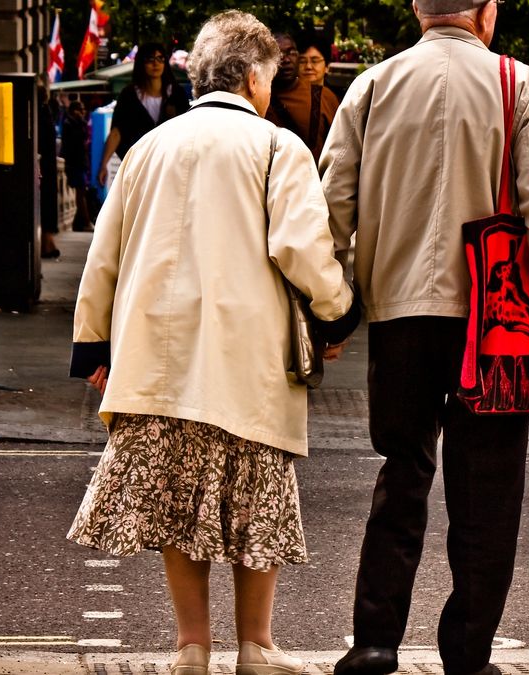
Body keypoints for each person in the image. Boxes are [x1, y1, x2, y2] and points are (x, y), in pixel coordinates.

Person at [67, 10, 358, 675]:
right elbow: (303, 250)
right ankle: (255, 645)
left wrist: (93, 346)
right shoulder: (277, 147)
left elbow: (103, 255)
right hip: (246, 363)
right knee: (255, 506)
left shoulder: (148, 148)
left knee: (178, 508)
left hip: (157, 360)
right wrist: (337, 312)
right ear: (257, 76)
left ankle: (190, 648)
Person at [319, 1, 529, 674]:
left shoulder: (372, 86)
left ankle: (375, 641)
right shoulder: (517, 84)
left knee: (401, 474)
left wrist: (333, 307)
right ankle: (468, 651)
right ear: (486, 14)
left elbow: (331, 210)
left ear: (418, 10)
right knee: (486, 490)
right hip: (496, 321)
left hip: (400, 313)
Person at [96, 42, 191, 186]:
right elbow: (116, 132)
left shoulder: (177, 94)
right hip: (139, 169)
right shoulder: (128, 96)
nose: (156, 64)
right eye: (150, 59)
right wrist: (103, 165)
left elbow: (188, 132)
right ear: (141, 63)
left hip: (170, 168)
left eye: (160, 58)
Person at [265, 32, 340, 158]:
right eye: (278, 54)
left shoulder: (325, 97)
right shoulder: (258, 98)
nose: (286, 59)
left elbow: (342, 146)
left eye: (291, 53)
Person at [60, 99, 93, 232]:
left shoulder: (78, 123)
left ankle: (77, 223)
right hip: (75, 164)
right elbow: (75, 142)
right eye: (81, 110)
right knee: (80, 193)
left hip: (81, 163)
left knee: (81, 192)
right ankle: (85, 222)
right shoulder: (69, 124)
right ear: (75, 111)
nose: (83, 112)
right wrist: (81, 122)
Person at [37, 78, 61, 258]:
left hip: (45, 165)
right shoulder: (44, 112)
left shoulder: (42, 112)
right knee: (47, 202)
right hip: (46, 166)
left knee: (46, 202)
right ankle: (47, 241)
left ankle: (47, 240)